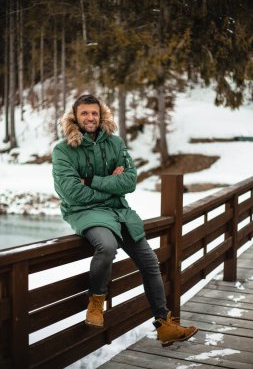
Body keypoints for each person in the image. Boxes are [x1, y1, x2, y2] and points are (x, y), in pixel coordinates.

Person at [52, 94, 198, 347]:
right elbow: (71, 192)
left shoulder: (115, 143)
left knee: (151, 263)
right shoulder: (63, 149)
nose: (90, 118)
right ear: (75, 116)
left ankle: (164, 326)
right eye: (84, 113)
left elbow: (129, 181)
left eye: (94, 113)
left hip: (119, 211)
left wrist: (91, 181)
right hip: (84, 211)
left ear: (101, 115)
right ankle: (96, 301)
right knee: (106, 247)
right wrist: (111, 184)